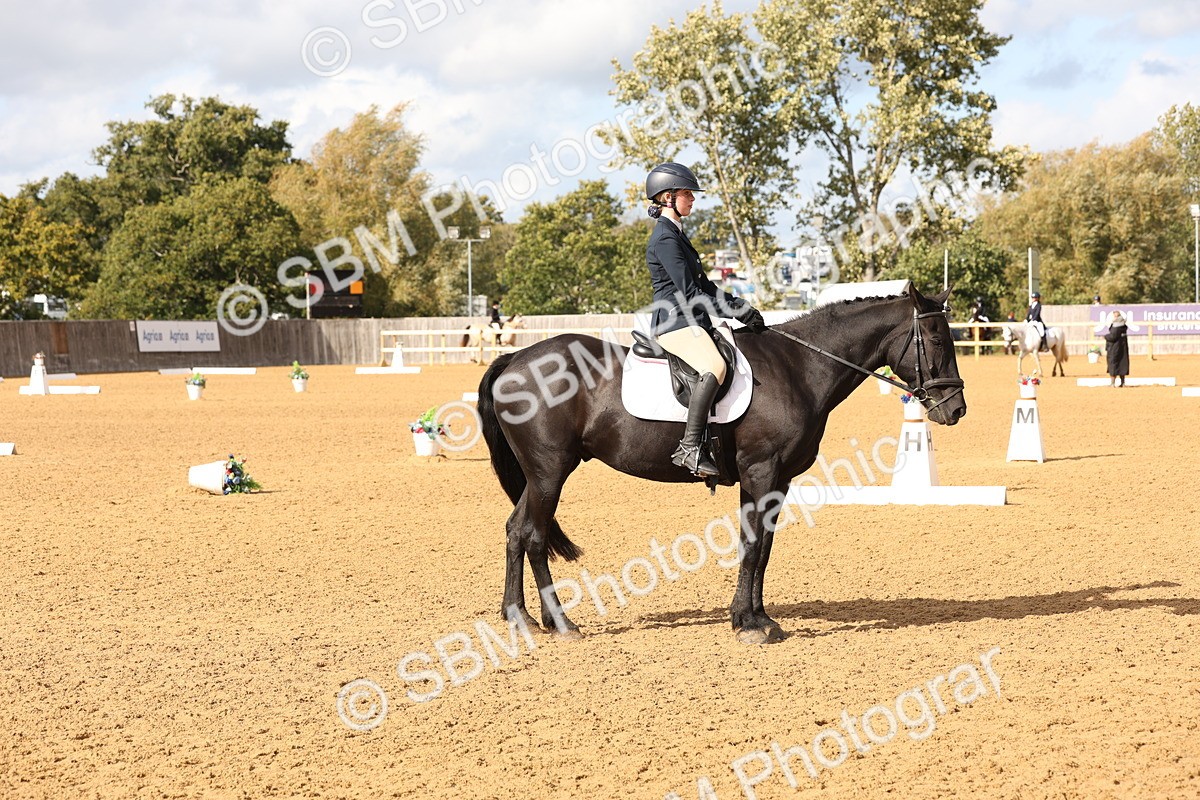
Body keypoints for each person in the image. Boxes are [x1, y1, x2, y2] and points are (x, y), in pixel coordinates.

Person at [644, 162, 765, 477]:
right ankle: (690, 446)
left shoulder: (678, 235)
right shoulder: (665, 238)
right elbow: (688, 292)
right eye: (687, 194)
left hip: (692, 321)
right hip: (675, 324)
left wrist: (739, 305)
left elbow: (705, 287)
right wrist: (734, 311)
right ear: (668, 197)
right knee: (716, 365)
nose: (693, 200)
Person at [1104, 310, 1130, 387]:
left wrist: (1106, 336)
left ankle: (1112, 383)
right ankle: (1123, 382)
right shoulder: (1123, 326)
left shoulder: (1116, 327)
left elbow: (1113, 337)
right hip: (1123, 348)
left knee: (1113, 363)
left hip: (1114, 348)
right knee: (1122, 363)